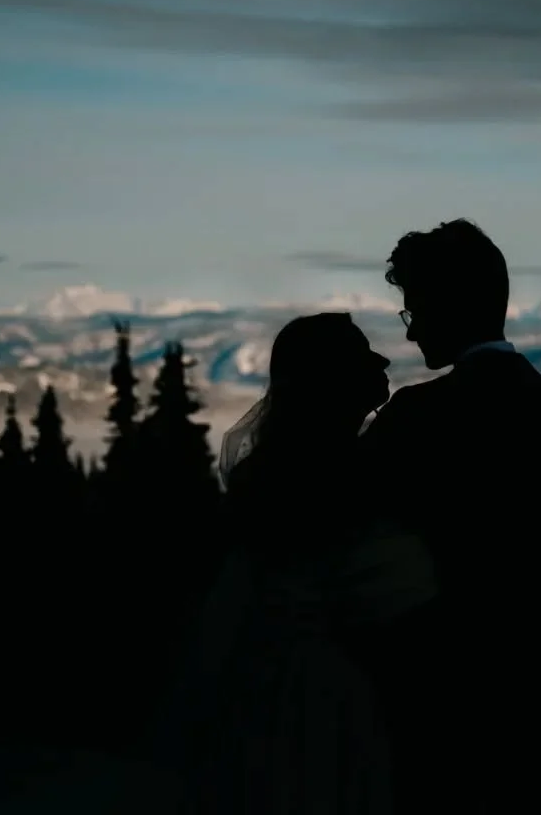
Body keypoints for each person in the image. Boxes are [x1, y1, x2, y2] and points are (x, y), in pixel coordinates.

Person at [356, 219, 541, 815]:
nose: (411, 330)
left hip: (434, 705)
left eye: (414, 309)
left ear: (450, 306)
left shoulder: (415, 420)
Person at [170, 313, 438, 815]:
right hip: (327, 706)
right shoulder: (344, 481)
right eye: (364, 369)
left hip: (261, 702)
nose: (381, 377)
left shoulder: (272, 472)